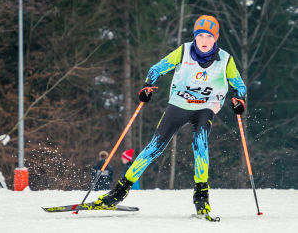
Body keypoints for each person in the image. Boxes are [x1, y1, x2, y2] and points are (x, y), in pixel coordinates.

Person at [95, 15, 247, 216]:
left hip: (206, 107)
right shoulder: (184, 51)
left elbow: (240, 86)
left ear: (215, 38)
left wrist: (239, 100)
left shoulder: (225, 60)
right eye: (200, 35)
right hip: (178, 104)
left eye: (208, 37)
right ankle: (118, 192)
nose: (203, 41)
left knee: (200, 142)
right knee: (154, 147)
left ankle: (201, 197)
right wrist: (147, 85)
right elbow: (157, 68)